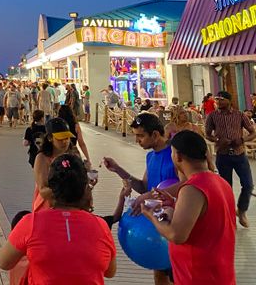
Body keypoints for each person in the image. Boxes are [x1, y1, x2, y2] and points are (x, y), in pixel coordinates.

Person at [0, 154, 117, 284]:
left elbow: (4, 263)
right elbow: (110, 272)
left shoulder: (30, 223)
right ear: (84, 187)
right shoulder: (101, 226)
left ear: (52, 187)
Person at [142, 130, 236, 285]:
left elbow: (176, 235)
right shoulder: (220, 182)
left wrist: (151, 215)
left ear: (177, 156)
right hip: (220, 273)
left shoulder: (192, 188)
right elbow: (207, 217)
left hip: (197, 276)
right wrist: (174, 203)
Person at [102, 112, 177, 285]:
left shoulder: (176, 154)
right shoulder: (151, 156)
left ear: (155, 135)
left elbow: (186, 184)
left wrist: (150, 195)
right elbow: (144, 187)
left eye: (140, 136)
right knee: (160, 273)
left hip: (177, 221)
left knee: (179, 275)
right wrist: (118, 169)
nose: (137, 141)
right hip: (157, 225)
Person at [204, 89, 255, 227]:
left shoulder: (240, 115)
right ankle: (229, 214)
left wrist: (242, 140)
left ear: (229, 101)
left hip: (239, 154)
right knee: (226, 187)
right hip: (223, 155)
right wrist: (217, 140)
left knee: (248, 184)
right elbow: (207, 134)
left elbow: (252, 132)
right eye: (216, 99)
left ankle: (242, 210)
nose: (218, 102)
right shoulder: (212, 116)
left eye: (221, 99)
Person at [32, 118, 74, 212]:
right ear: (50, 138)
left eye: (67, 138)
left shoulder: (73, 155)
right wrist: (65, 187)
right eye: (60, 139)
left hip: (70, 208)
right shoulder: (42, 158)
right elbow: (43, 190)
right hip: (47, 208)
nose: (64, 142)